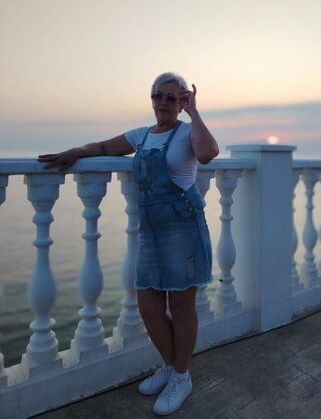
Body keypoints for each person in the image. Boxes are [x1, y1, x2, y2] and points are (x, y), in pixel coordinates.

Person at [38, 72, 219, 415]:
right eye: (158, 96)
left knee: (182, 307)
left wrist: (194, 112)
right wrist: (76, 151)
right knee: (148, 305)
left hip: (182, 225)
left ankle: (181, 377)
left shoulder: (187, 132)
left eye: (172, 97)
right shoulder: (142, 135)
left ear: (181, 101)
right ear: (151, 99)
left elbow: (208, 153)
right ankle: (170, 366)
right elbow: (104, 148)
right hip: (151, 230)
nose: (163, 102)